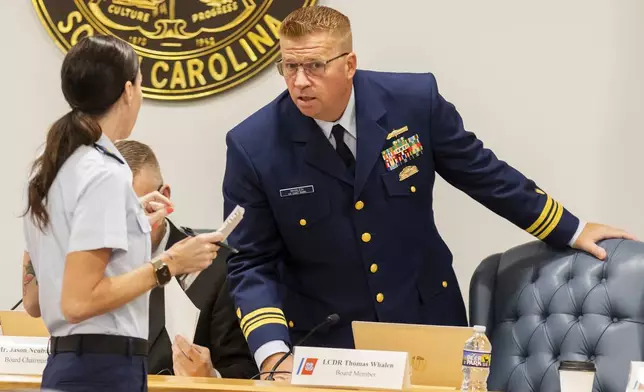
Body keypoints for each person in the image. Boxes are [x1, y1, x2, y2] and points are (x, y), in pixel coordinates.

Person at [221, 5, 635, 381]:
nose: (299, 82)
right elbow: (251, 261)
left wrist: (569, 227)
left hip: (425, 321)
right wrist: (273, 354)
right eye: (288, 67)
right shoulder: (254, 145)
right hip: (329, 341)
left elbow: (483, 173)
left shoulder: (413, 102)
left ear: (349, 64)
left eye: (314, 65)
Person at [21, 35, 224, 392]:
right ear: (129, 90)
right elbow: (80, 300)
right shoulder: (105, 171)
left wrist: (131, 222)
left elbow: (36, 301)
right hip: (105, 370)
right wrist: (171, 263)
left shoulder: (51, 167)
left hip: (67, 364)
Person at [113, 139, 258, 379]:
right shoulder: (93, 265)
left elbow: (245, 370)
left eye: (140, 211)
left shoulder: (217, 268)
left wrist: (210, 376)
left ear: (164, 198)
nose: (129, 227)